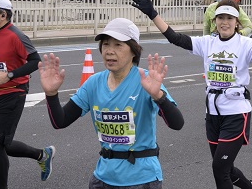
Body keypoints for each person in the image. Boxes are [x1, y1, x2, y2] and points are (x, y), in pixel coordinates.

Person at [132, 0, 252, 188]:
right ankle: (251, 187)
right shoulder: (207, 42)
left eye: (229, 18)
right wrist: (153, 14)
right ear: (215, 21)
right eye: (220, 18)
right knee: (226, 167)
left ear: (237, 22)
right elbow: (175, 38)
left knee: (219, 169)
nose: (224, 22)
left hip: (236, 113)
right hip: (213, 115)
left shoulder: (246, 44)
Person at [38, 18, 184, 189]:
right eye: (106, 44)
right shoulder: (93, 83)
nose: (109, 51)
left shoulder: (146, 80)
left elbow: (177, 123)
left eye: (118, 45)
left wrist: (158, 96)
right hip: (103, 177)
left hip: (142, 179)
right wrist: (51, 94)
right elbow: (60, 121)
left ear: (134, 51)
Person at [0, 0, 55, 189]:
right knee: (1, 144)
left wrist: (10, 75)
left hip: (13, 92)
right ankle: (42, 154)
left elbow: (35, 61)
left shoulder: (17, 36)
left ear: (3, 14)